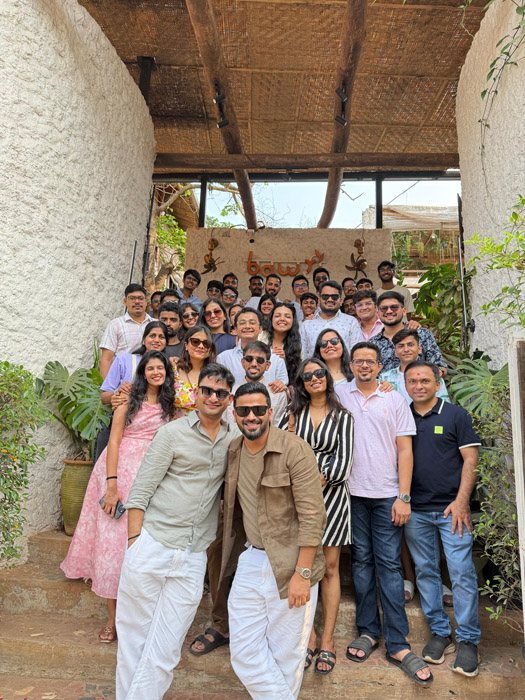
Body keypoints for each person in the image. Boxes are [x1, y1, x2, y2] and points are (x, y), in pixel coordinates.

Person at [115, 364, 239, 700]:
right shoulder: (172, 433)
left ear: (228, 399)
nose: (213, 397)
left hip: (193, 554)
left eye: (221, 393)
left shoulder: (234, 440)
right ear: (197, 394)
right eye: (207, 390)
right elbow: (141, 491)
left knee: (168, 648)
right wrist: (135, 544)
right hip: (153, 543)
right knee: (134, 639)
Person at [61, 351, 174, 644]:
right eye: (150, 368)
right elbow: (113, 441)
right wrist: (111, 486)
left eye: (161, 367)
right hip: (120, 473)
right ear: (142, 372)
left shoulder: (171, 404)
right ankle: (112, 619)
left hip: (153, 478)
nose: (156, 372)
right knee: (113, 547)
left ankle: (142, 619)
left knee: (145, 548)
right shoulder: (127, 399)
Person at [335, 342, 432, 686]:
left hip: (387, 493)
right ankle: (367, 631)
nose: (364, 366)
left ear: (379, 366)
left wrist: (403, 496)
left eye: (370, 361)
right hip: (351, 493)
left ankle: (398, 643)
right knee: (361, 561)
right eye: (358, 361)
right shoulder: (339, 394)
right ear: (351, 365)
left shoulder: (394, 398)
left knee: (389, 564)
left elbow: (405, 450)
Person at [222, 382, 326, 699]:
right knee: (243, 651)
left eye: (258, 410)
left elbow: (313, 515)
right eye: (243, 411)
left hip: (292, 562)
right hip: (252, 557)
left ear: (269, 412)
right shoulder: (235, 450)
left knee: (287, 655)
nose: (251, 416)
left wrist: (302, 573)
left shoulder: (294, 449)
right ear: (234, 414)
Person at [404, 361, 481, 677]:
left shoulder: (456, 415)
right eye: (412, 381)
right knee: (425, 571)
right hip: (416, 511)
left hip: (452, 510)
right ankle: (441, 632)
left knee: (461, 571)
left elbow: (471, 459)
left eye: (424, 380)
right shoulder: (402, 415)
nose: (418, 385)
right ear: (405, 385)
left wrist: (462, 501)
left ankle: (468, 640)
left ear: (437, 384)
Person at [284, 358, 353, 675]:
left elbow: (344, 463)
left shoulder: (343, 417)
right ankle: (308, 635)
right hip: (297, 501)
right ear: (301, 382)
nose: (314, 378)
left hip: (332, 498)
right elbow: (282, 453)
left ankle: (328, 639)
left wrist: (312, 478)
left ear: (328, 377)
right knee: (303, 567)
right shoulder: (292, 415)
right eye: (307, 375)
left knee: (329, 569)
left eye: (319, 373)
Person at [370, 292, 446, 374]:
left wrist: (430, 374)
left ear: (404, 311)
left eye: (394, 307)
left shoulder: (422, 335)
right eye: (384, 308)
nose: (389, 311)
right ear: (378, 313)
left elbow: (440, 367)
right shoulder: (373, 344)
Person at [100, 321, 168, 406]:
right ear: (143, 340)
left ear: (166, 343)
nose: (157, 340)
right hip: (125, 412)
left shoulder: (168, 365)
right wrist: (117, 393)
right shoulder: (123, 360)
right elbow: (104, 397)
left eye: (161, 337)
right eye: (152, 336)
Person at [218, 308, 288, 387]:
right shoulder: (223, 358)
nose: (247, 326)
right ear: (236, 329)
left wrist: (281, 386)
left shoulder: (275, 357)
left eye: (252, 323)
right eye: (242, 323)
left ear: (260, 329)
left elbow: (284, 387)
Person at [380, 329, 449, 404]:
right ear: (395, 352)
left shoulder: (433, 374)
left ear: (419, 349)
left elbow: (444, 405)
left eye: (410, 345)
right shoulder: (385, 378)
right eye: (401, 346)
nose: (406, 349)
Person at [100, 284, 152, 378]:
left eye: (140, 298)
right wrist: (107, 385)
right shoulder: (115, 325)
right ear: (125, 301)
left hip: (152, 377)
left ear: (146, 301)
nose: (137, 301)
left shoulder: (155, 324)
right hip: (123, 380)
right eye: (132, 298)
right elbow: (106, 359)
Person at [300, 280, 361, 357]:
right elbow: (302, 356)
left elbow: (358, 353)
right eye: (325, 297)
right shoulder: (307, 325)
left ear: (340, 301)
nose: (330, 300)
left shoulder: (351, 322)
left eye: (334, 297)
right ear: (319, 300)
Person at [173, 325, 217, 419]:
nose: (201, 346)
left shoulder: (216, 375)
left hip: (205, 426)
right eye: (195, 342)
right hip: (176, 426)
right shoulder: (173, 371)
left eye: (206, 343)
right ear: (186, 345)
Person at [266, 302, 302, 385]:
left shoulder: (297, 345)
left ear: (293, 321)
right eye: (277, 316)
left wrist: (285, 359)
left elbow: (296, 374)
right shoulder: (259, 337)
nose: (282, 319)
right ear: (271, 319)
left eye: (287, 316)